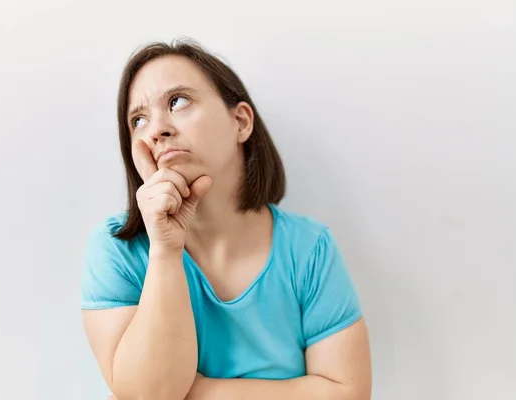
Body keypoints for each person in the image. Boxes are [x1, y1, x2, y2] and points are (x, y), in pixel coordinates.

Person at [80, 38, 372, 400]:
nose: (157, 129)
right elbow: (149, 395)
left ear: (240, 122)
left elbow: (348, 393)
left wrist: (198, 392)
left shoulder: (309, 248)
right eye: (138, 120)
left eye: (178, 101)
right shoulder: (118, 250)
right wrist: (165, 251)